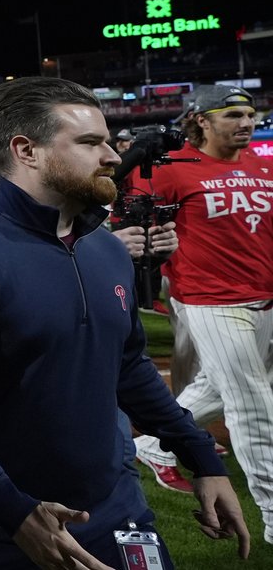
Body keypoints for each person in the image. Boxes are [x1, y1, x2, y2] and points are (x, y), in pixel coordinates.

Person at [0, 76, 249, 568]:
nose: (112, 155)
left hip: (113, 504)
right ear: (27, 151)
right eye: (90, 143)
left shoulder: (106, 248)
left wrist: (201, 456)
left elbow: (127, 368)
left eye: (107, 140)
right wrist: (10, 507)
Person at [125, 85, 273, 534]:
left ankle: (153, 442)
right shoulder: (171, 168)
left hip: (264, 295)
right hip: (209, 298)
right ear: (201, 121)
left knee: (218, 386)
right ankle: (271, 514)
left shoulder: (264, 164)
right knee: (253, 404)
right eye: (232, 115)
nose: (245, 123)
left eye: (249, 114)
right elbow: (131, 215)